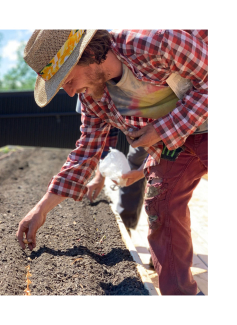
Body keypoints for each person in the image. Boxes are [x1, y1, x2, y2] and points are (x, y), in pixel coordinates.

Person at [16, 29, 208, 295]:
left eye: (68, 80)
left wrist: (162, 130)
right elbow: (86, 151)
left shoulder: (157, 42)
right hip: (176, 146)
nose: (71, 93)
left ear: (91, 54)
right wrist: (41, 208)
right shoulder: (93, 97)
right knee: (161, 208)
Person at [75, 97, 148, 233]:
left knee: (162, 188)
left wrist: (146, 169)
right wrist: (100, 176)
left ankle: (161, 244)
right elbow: (105, 135)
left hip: (164, 122)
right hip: (139, 125)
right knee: (133, 166)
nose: (69, 91)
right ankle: (126, 225)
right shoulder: (90, 96)